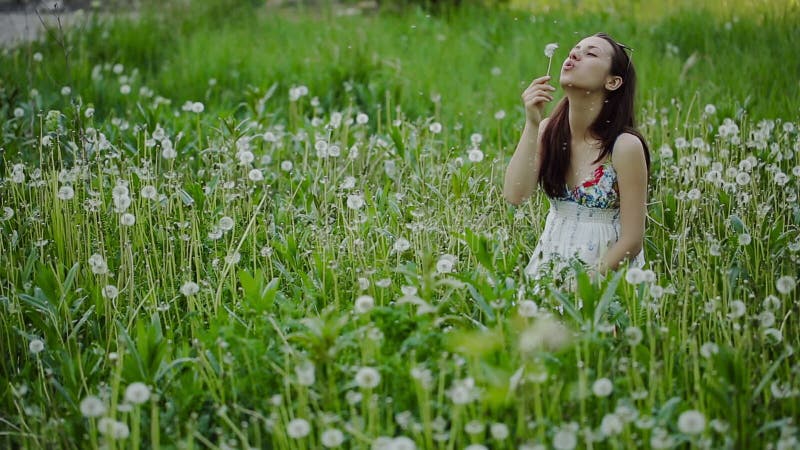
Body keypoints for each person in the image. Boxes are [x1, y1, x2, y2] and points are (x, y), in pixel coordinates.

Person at [503, 33, 650, 283]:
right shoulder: (548, 131)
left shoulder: (624, 146)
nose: (573, 54)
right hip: (549, 268)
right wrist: (532, 123)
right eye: (575, 49)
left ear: (613, 82)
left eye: (590, 53)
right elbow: (515, 195)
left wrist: (583, 286)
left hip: (607, 279)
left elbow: (632, 240)